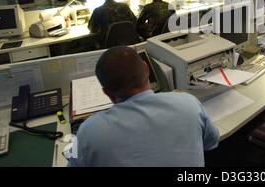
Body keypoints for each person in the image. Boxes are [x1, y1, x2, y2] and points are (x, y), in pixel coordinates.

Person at [68, 46, 220, 167]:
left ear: (106, 93)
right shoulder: (189, 103)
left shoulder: (89, 131)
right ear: (146, 69)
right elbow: (212, 142)